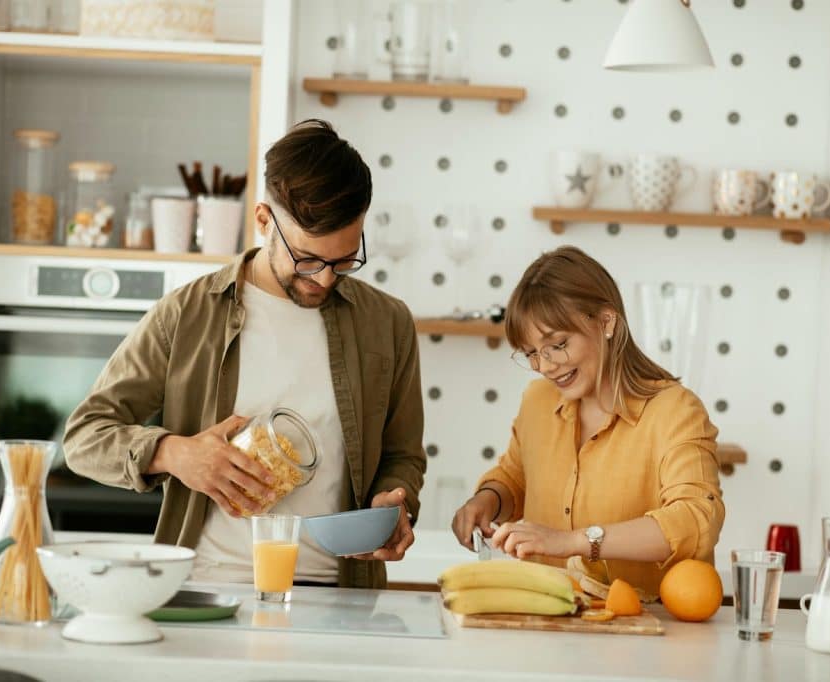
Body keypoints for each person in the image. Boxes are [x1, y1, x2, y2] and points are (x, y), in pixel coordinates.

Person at [64, 119, 426, 589]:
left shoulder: (388, 324)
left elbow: (403, 457)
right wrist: (175, 454)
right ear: (262, 220)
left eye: (344, 261)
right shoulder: (186, 314)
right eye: (308, 260)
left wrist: (394, 504)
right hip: (207, 589)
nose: (325, 280)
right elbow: (84, 438)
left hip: (341, 597)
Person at [450, 246, 723, 594]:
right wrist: (487, 500)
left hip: (648, 635)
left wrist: (577, 541)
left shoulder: (675, 411)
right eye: (532, 353)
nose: (546, 366)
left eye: (558, 344)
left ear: (606, 322)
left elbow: (696, 519)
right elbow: (515, 478)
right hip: (545, 625)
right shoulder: (537, 402)